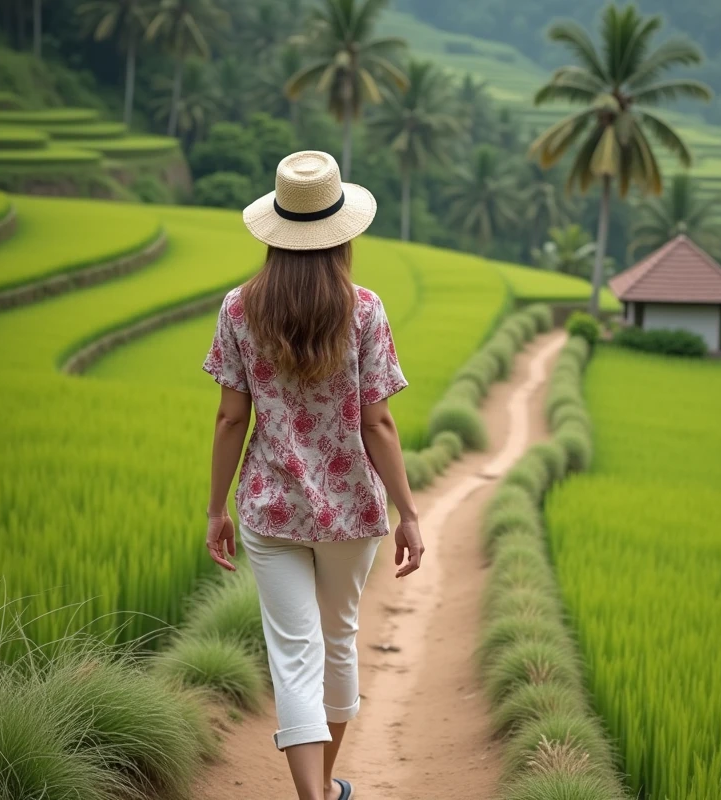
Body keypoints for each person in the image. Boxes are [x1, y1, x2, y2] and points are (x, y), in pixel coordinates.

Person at [201, 150, 424, 800]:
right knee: (338, 640)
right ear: (341, 233)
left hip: (270, 508)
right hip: (352, 511)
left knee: (294, 655)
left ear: (275, 230)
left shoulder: (239, 310)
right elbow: (378, 424)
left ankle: (314, 795)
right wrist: (409, 513)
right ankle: (322, 790)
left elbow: (230, 417)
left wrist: (215, 509)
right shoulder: (365, 310)